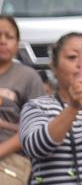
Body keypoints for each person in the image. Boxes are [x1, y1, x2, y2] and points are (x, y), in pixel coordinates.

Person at [20, 31, 82, 184]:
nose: (81, 64)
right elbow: (35, 148)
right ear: (54, 67)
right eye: (72, 57)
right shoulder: (37, 106)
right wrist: (73, 107)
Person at [0, 16, 44, 184]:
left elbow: (36, 128)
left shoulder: (28, 77)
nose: (3, 41)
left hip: (12, 162)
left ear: (17, 43)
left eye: (9, 37)